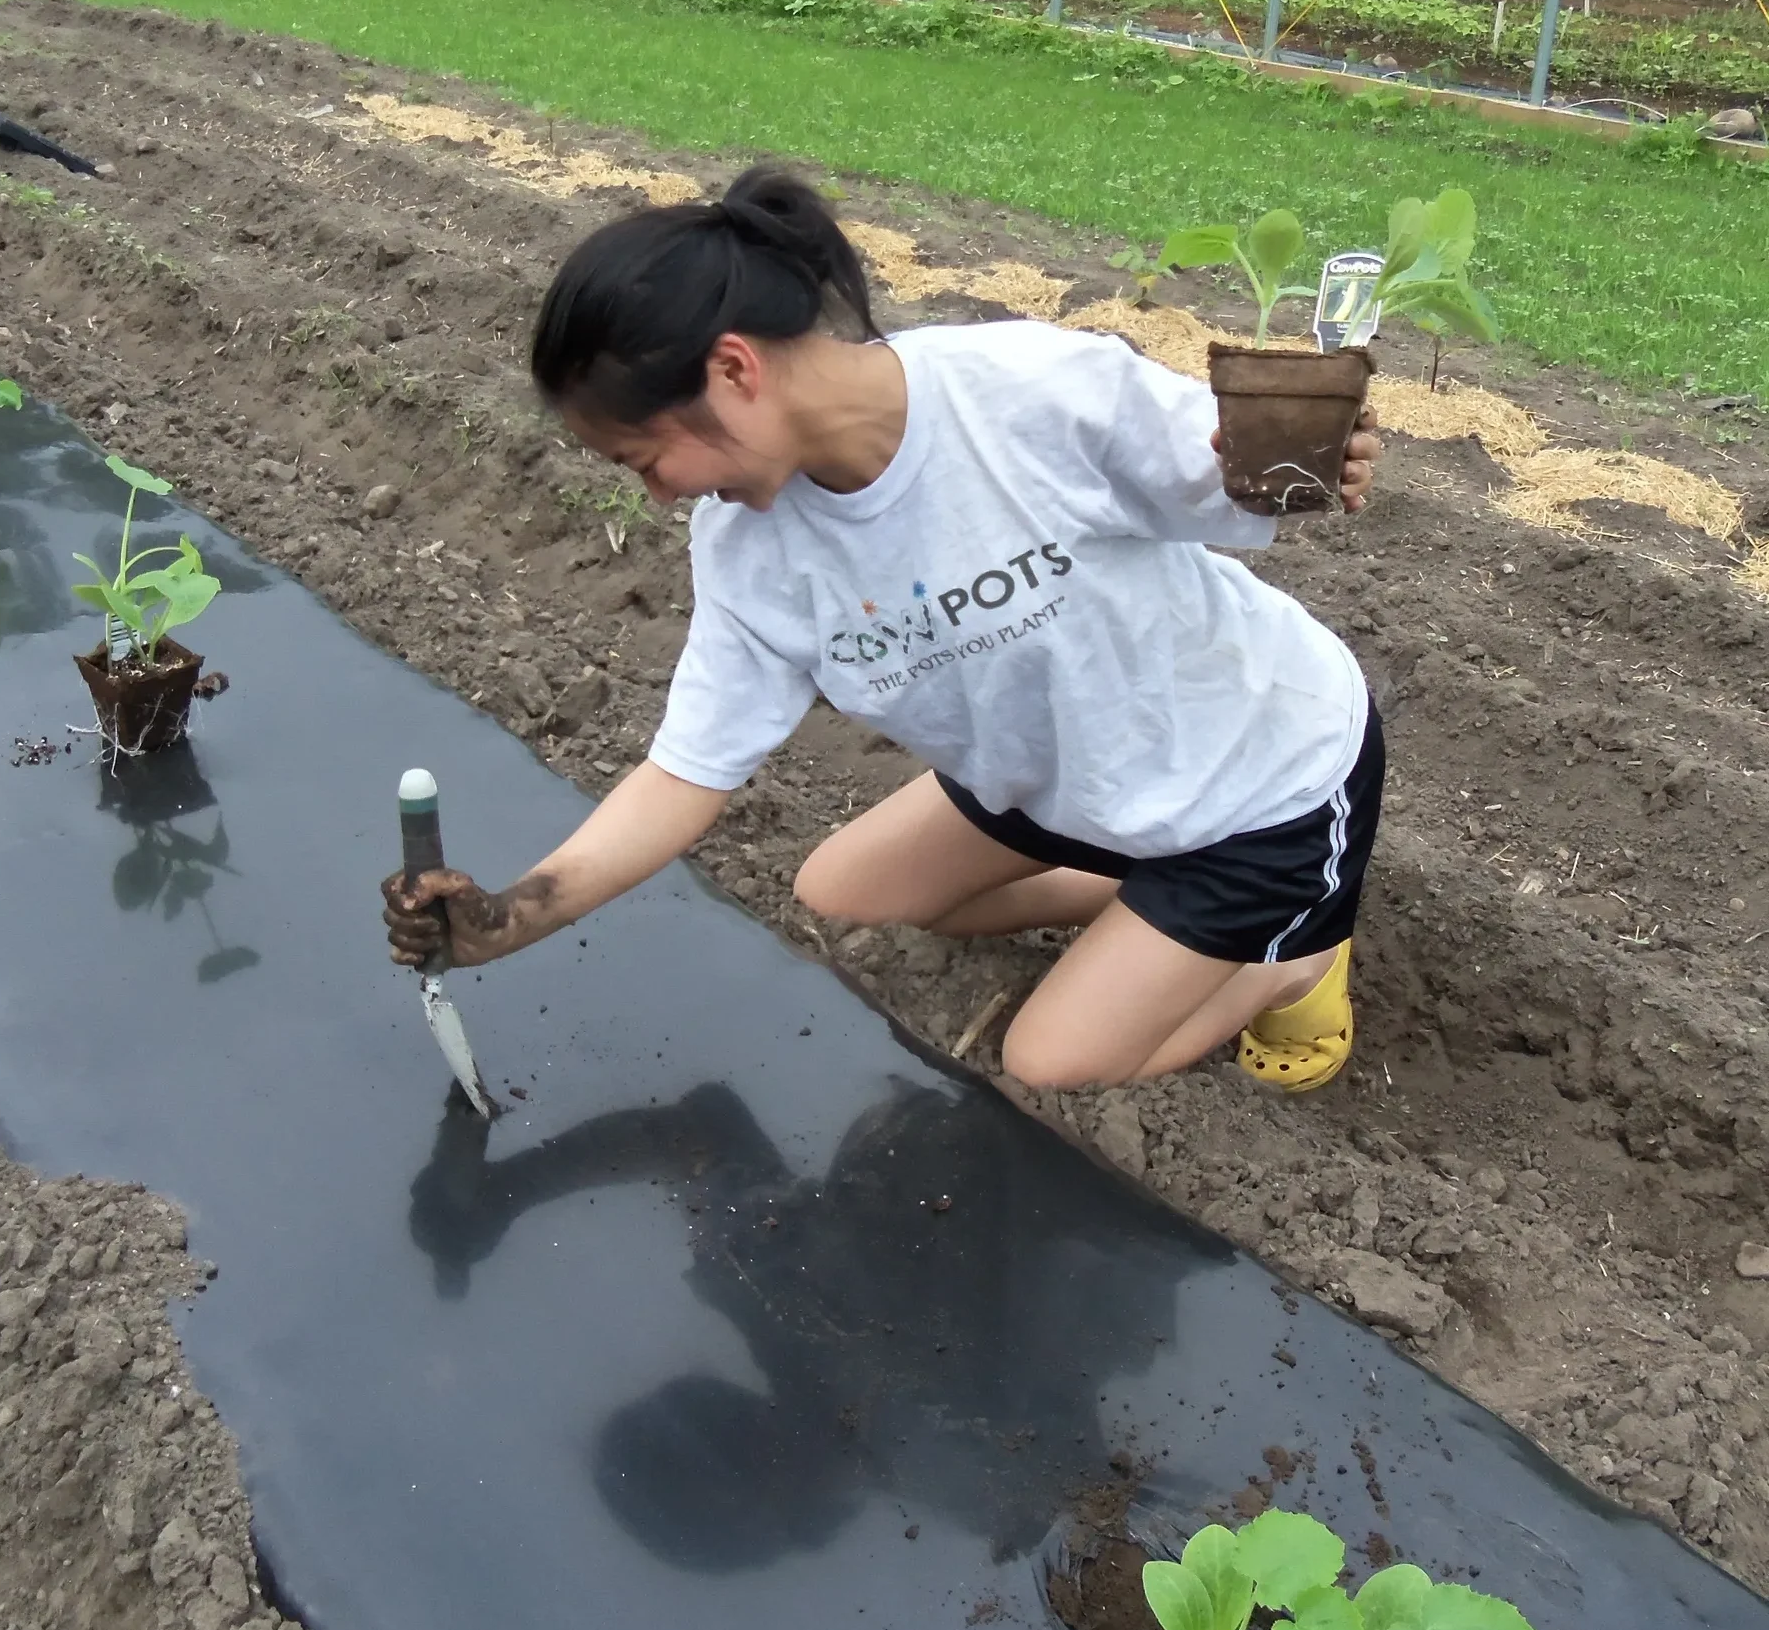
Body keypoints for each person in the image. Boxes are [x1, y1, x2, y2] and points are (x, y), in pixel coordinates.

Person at [382, 168, 1383, 1094]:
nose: (653, 497)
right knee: (844, 891)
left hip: (1263, 783)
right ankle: (1144, 892)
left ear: (733, 370)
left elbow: (1243, 480)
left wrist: (1317, 457)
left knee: (1052, 1058)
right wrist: (507, 920)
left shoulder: (1022, 393)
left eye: (643, 459)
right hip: (1074, 776)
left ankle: (1291, 961)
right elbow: (681, 779)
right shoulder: (747, 547)